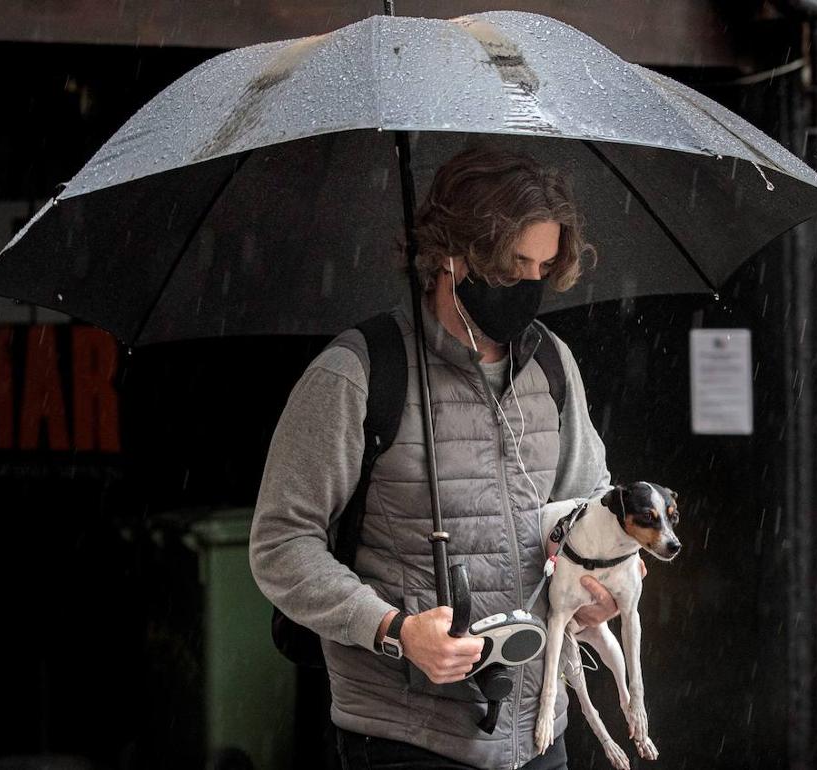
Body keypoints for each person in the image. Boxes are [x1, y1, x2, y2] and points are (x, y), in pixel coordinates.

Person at [249, 146, 616, 770]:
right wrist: (393, 631)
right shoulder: (359, 372)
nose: (528, 287)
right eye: (510, 268)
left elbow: (589, 507)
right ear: (451, 255)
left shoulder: (552, 363)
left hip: (538, 733)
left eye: (542, 267)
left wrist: (599, 581)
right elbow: (282, 543)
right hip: (404, 735)